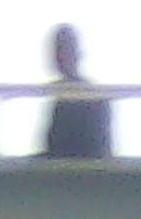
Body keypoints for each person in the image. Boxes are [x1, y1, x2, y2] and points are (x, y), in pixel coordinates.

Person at [37, 24, 115, 163]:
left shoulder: (90, 97)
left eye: (62, 50)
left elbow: (69, 151)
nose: (58, 57)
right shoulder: (61, 96)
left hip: (79, 170)